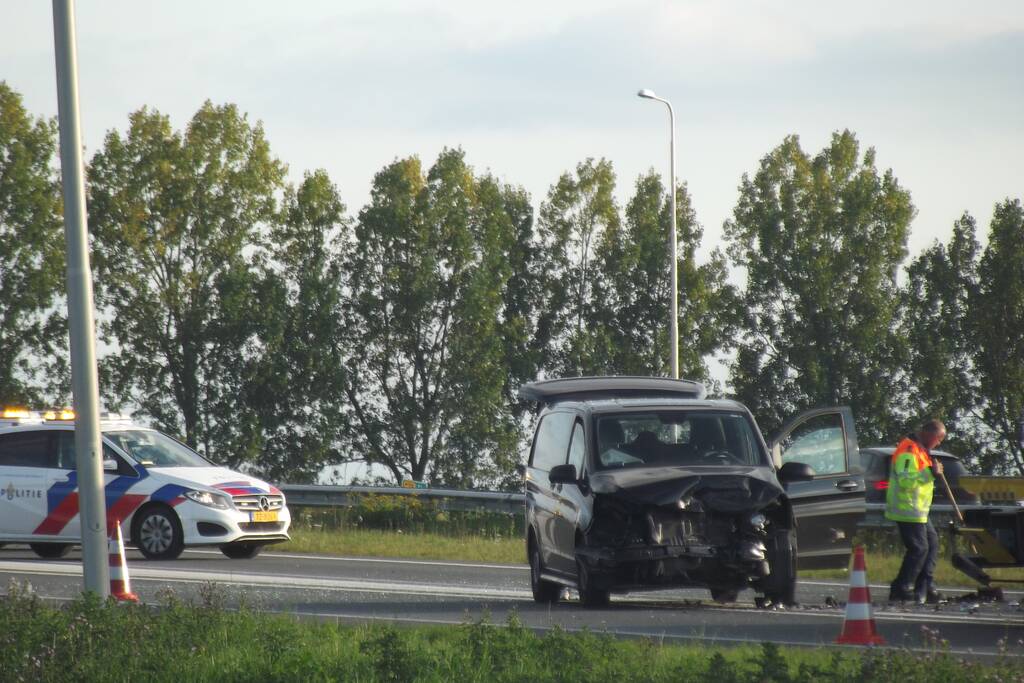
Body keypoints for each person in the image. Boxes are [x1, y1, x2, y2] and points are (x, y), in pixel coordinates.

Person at [885, 419, 946, 604]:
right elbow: (906, 481)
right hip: (907, 508)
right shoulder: (909, 450)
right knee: (919, 548)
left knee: (932, 543)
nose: (939, 443)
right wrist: (931, 473)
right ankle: (901, 588)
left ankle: (925, 587)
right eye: (938, 439)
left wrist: (933, 471)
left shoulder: (921, 450)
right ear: (929, 434)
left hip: (919, 510)